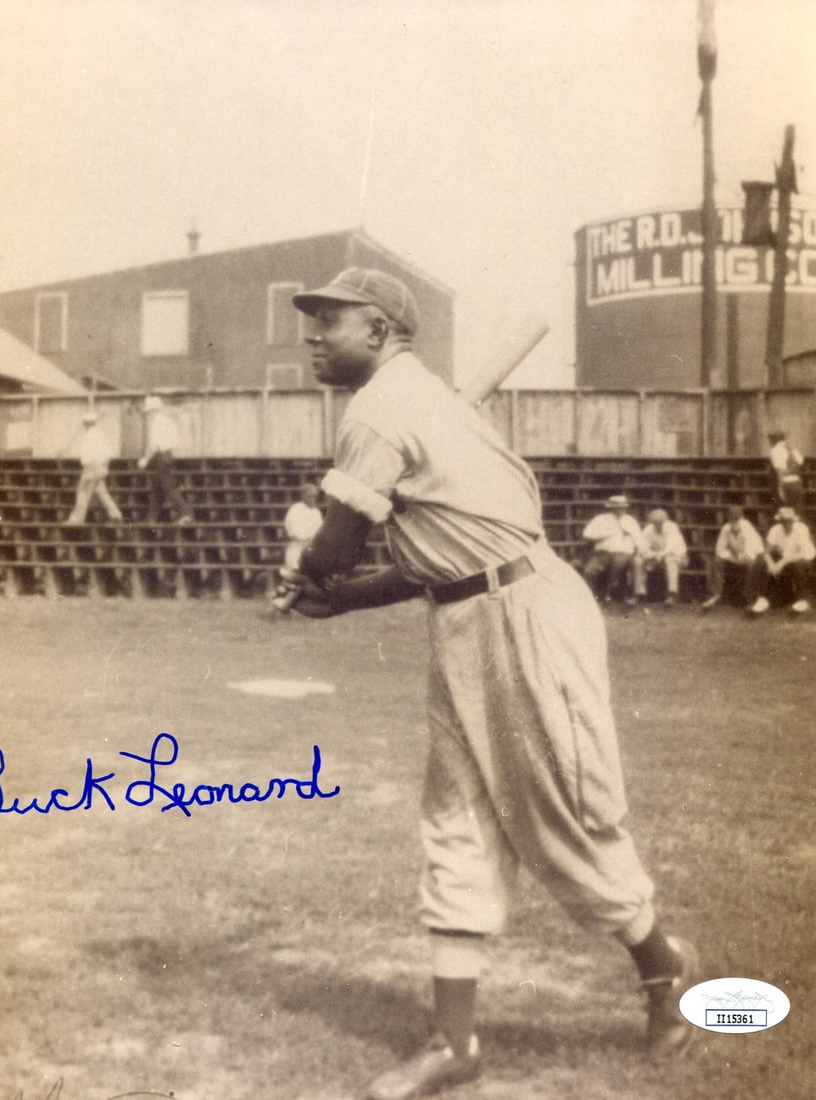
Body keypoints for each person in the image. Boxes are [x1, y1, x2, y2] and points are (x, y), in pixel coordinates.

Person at [281, 267, 698, 1099]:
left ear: (380, 328)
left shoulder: (380, 408)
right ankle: (454, 1042)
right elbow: (427, 564)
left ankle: (664, 975)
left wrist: (314, 571)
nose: (312, 334)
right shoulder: (416, 403)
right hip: (467, 614)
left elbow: (337, 548)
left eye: (329, 319)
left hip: (525, 615)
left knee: (561, 815)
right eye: (311, 320)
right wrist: (337, 600)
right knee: (455, 819)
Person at [749, 506, 815, 615]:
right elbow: (766, 551)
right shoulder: (775, 530)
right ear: (780, 521)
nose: (786, 524)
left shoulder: (801, 528)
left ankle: (801, 600)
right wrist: (771, 564)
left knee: (798, 565)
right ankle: (762, 599)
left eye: (789, 521)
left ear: (793, 520)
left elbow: (801, 553)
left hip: (805, 557)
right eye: (783, 521)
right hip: (785, 556)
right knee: (762, 562)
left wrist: (781, 562)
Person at [137, 394, 193, 525]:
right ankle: (151, 518)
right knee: (158, 489)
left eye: (149, 412)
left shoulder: (157, 423)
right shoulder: (166, 421)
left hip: (161, 456)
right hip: (167, 455)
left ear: (155, 410)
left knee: (168, 487)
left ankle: (185, 513)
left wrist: (145, 459)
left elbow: (154, 445)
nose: (148, 415)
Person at [64, 410, 123, 525]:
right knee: (101, 492)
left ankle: (77, 519)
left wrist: (89, 472)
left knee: (82, 491)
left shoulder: (89, 436)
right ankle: (115, 514)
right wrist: (104, 467)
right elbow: (109, 453)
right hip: (102, 467)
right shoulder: (101, 434)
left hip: (92, 468)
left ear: (86, 423)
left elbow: (87, 457)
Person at [581, 494, 643, 604]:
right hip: (603, 554)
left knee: (619, 562)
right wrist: (604, 535)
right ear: (611, 508)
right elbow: (586, 534)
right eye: (618, 507)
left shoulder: (631, 521)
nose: (620, 510)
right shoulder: (601, 519)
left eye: (623, 507)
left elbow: (639, 540)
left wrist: (637, 551)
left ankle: (608, 593)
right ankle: (588, 598)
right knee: (589, 571)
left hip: (624, 553)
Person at [701, 506, 764, 610]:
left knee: (752, 565)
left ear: (741, 518)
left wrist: (741, 557)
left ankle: (750, 598)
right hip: (735, 557)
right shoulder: (726, 528)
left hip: (753, 555)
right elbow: (719, 549)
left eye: (737, 519)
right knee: (717, 560)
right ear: (729, 518)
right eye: (732, 519)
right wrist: (731, 556)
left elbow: (752, 550)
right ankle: (715, 594)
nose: (734, 522)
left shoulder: (747, 527)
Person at [632, 508, 688, 604]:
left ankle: (672, 593)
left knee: (669, 559)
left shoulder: (672, 527)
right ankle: (640, 593)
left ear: (665, 521)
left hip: (678, 558)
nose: (658, 524)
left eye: (660, 522)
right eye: (655, 522)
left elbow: (671, 548)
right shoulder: (648, 529)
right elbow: (642, 547)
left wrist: (658, 555)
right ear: (652, 522)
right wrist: (653, 555)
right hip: (656, 559)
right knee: (638, 560)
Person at [283, 482, 324, 570]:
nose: (313, 499)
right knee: (297, 571)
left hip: (313, 549)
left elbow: (320, 530)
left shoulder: (316, 512)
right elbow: (294, 532)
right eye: (310, 496)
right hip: (298, 548)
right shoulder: (295, 510)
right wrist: (308, 537)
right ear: (303, 496)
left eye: (314, 496)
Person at [767, 430, 805, 513]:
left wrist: (780, 488)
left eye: (770, 440)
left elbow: (780, 471)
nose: (769, 443)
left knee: (782, 512)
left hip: (785, 485)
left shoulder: (776, 450)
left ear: (774, 440)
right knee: (796, 512)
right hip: (797, 483)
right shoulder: (794, 450)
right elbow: (800, 463)